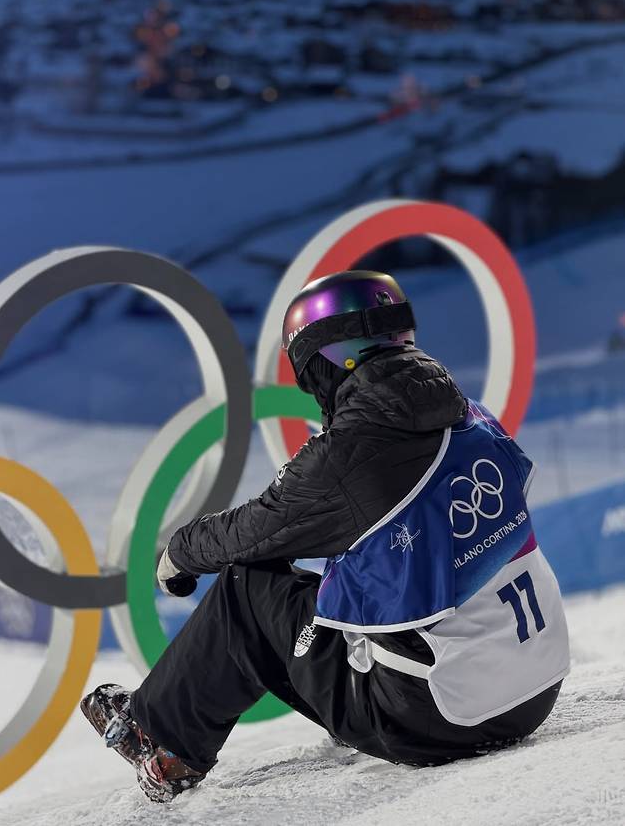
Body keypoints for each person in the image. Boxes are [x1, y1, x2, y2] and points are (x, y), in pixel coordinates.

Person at [81, 270, 570, 803]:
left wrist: (181, 553)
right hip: (535, 689)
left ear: (328, 360)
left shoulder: (351, 452)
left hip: (438, 716)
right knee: (339, 584)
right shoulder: (473, 419)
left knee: (248, 587)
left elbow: (254, 532)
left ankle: (160, 740)